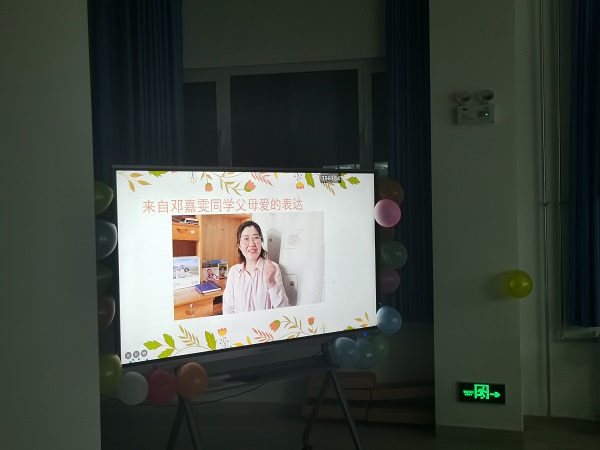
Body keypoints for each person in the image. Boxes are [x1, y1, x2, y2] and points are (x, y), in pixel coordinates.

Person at [223, 221, 289, 314]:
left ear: (261, 242)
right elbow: (228, 310)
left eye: (256, 238)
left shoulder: (273, 268)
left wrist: (271, 283)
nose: (252, 244)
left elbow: (284, 309)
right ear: (239, 246)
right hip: (240, 323)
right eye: (246, 239)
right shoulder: (233, 272)